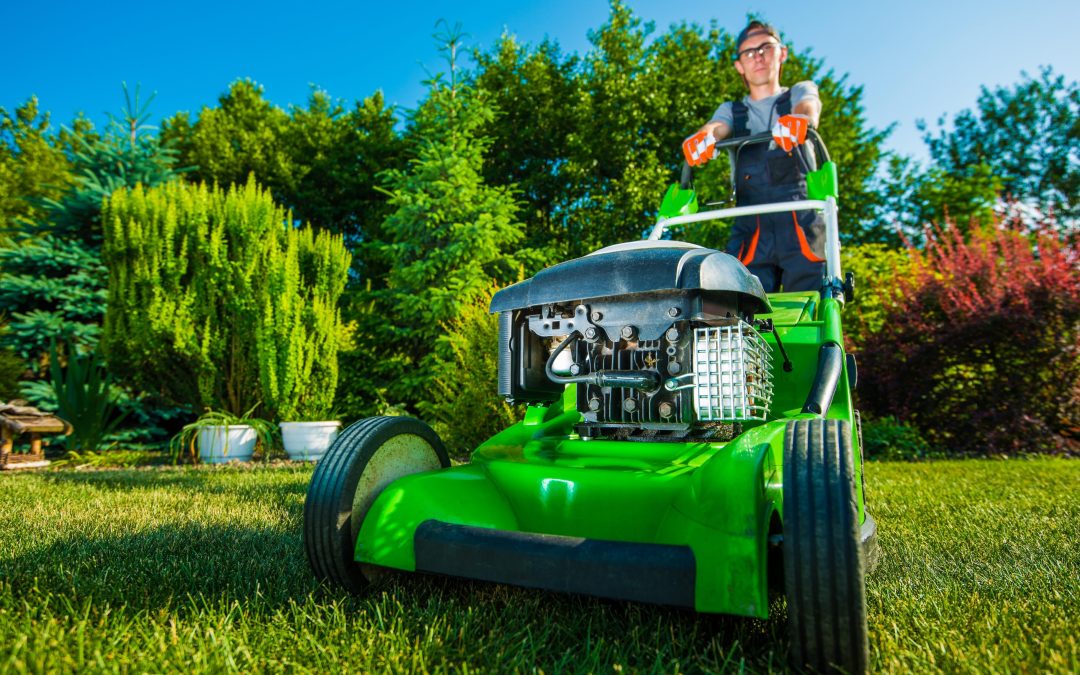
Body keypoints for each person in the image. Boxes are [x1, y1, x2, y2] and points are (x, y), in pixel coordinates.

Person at [682, 20, 826, 293]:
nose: (758, 57)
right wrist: (703, 138)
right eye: (749, 52)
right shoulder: (732, 110)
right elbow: (715, 128)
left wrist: (800, 119)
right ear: (739, 65)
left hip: (801, 218)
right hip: (750, 225)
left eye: (765, 48)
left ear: (781, 53)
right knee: (745, 307)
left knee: (812, 305)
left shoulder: (799, 92)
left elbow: (808, 108)